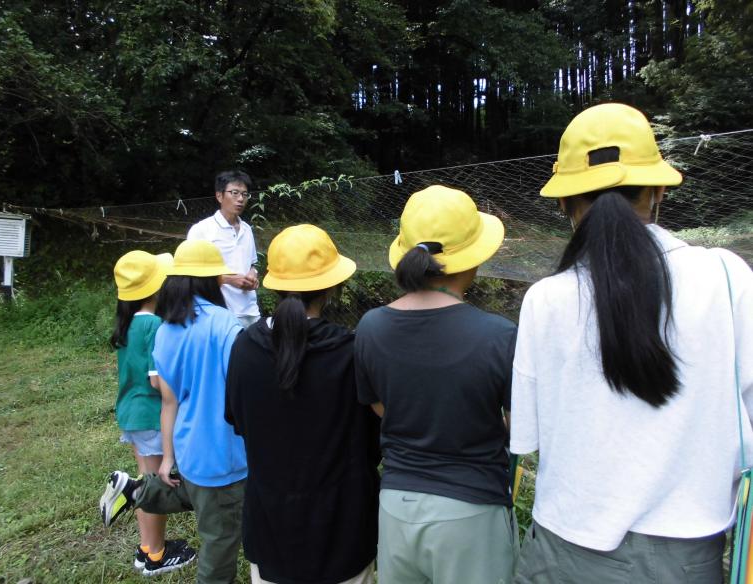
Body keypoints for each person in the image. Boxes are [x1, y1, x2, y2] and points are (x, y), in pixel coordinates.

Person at [510, 103, 753, 583]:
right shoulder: (727, 278)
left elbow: (527, 437)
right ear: (660, 189)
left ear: (564, 203)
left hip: (564, 544)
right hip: (684, 553)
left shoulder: (545, 299)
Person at [355, 185, 519, 584]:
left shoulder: (371, 326)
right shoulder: (498, 334)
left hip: (396, 506)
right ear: (472, 258)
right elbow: (520, 427)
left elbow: (379, 407)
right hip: (472, 512)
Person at [225, 224, 381, 584]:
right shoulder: (351, 350)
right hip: (345, 527)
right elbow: (376, 433)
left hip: (271, 528)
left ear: (274, 284)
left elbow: (237, 420)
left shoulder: (246, 348)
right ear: (331, 288)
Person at [100, 240, 248, 584]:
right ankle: (141, 491)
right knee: (220, 537)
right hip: (224, 451)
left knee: (202, 498)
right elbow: (241, 393)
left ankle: (140, 490)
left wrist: (167, 457)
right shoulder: (227, 325)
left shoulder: (166, 330)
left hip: (187, 447)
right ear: (213, 280)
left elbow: (168, 402)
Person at [108, 250, 196, 576]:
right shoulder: (155, 327)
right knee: (152, 488)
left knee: (144, 479)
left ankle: (147, 547)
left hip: (131, 412)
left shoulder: (127, 324)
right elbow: (158, 382)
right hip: (150, 414)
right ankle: (156, 556)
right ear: (158, 289)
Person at [187, 170, 260, 328]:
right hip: (218, 313)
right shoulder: (201, 230)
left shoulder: (247, 230)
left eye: (245, 194)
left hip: (251, 311)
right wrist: (229, 279)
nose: (240, 199)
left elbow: (252, 264)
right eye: (234, 193)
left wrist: (252, 275)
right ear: (219, 196)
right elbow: (190, 275)